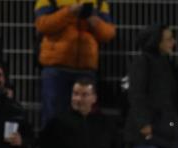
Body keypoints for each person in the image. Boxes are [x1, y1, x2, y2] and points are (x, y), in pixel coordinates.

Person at [34, 0, 116, 128]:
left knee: (85, 118)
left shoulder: (100, 2)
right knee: (53, 118)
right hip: (56, 68)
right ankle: (51, 147)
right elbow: (43, 25)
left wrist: (93, 20)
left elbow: (108, 34)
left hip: (86, 70)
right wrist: (69, 11)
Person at [124, 23, 178, 148]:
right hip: (147, 135)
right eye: (168, 39)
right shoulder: (143, 61)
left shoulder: (166, 63)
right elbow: (136, 94)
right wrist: (143, 123)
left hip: (164, 134)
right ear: (156, 41)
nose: (173, 43)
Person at [40, 78, 122, 148]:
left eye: (84, 95)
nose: (78, 99)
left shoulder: (106, 124)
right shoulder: (57, 123)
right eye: (75, 94)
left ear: (94, 98)